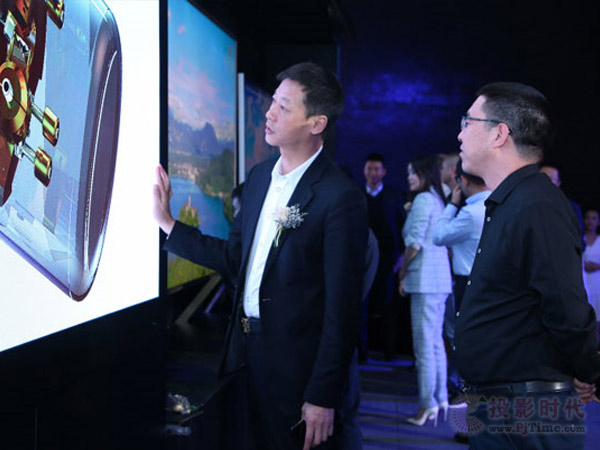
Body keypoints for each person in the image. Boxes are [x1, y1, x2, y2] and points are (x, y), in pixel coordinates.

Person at [153, 62, 368, 450]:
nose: (269, 113)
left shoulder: (339, 197)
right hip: (245, 355)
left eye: (284, 107)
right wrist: (169, 224)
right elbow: (235, 258)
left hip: (297, 368)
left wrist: (322, 394)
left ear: (317, 123)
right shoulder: (258, 179)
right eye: (273, 102)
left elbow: (343, 309)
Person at [454, 81, 600, 449]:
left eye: (468, 122)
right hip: (504, 406)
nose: (460, 134)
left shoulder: (537, 205)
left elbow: (566, 307)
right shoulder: (513, 201)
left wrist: (590, 369)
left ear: (499, 134)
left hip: (527, 413)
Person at [398, 154, 452, 426]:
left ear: (424, 174)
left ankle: (427, 404)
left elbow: (415, 243)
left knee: (424, 347)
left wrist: (402, 270)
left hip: (425, 281)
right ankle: (440, 399)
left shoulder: (423, 200)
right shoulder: (438, 198)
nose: (409, 177)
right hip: (439, 280)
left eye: (412, 172)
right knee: (435, 343)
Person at [363, 152, 404, 361]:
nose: (373, 173)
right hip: (363, 261)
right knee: (362, 304)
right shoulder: (357, 195)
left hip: (389, 261)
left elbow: (402, 227)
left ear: (384, 171)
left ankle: (390, 352)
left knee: (388, 306)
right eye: (370, 169)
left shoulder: (393, 196)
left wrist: (401, 257)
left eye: (377, 169)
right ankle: (362, 351)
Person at [540, 165, 585, 246]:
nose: (544, 182)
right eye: (540, 178)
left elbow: (578, 241)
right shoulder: (522, 204)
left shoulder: (571, 208)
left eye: (549, 179)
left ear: (558, 183)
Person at [583, 209, 600, 342]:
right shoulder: (579, 239)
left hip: (598, 285)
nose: (590, 221)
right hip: (582, 284)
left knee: (597, 323)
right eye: (588, 218)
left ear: (598, 222)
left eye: (594, 218)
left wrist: (597, 266)